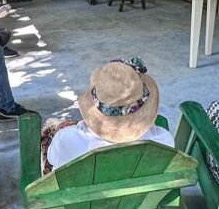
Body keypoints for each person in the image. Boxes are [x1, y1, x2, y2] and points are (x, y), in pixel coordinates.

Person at [45, 58, 174, 172]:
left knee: (49, 127)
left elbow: (51, 159)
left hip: (84, 199)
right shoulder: (164, 142)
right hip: (143, 200)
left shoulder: (66, 140)